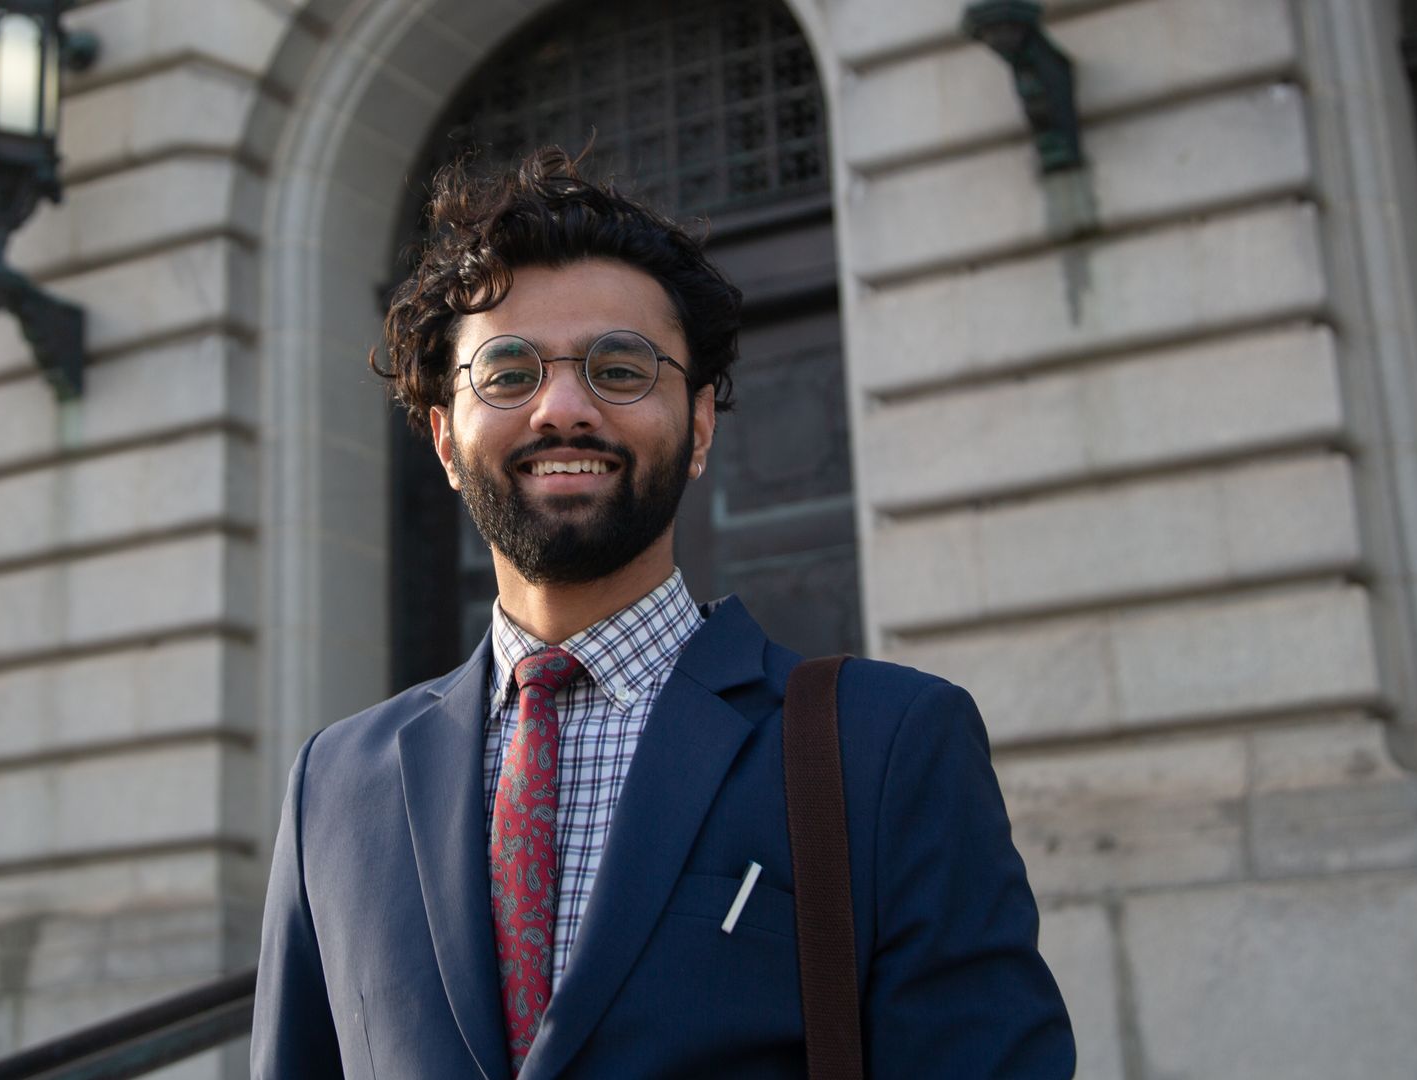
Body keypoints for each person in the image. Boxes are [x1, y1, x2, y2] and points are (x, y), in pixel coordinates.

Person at [250, 147, 1075, 1079]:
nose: (563, 409)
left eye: (620, 368)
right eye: (509, 372)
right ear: (444, 438)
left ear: (701, 426)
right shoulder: (332, 789)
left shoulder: (888, 747)